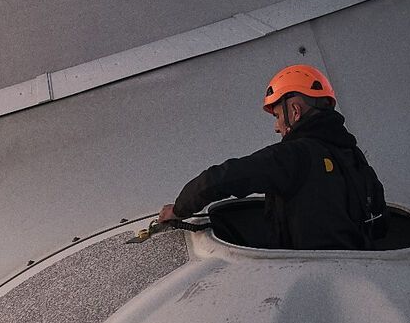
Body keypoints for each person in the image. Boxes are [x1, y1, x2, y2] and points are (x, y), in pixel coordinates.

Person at [156, 64, 385, 250]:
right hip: (357, 267)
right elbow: (380, 222)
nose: (277, 127)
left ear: (295, 111)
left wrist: (179, 209)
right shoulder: (353, 156)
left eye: (277, 116)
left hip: (310, 273)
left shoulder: (294, 155)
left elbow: (223, 178)